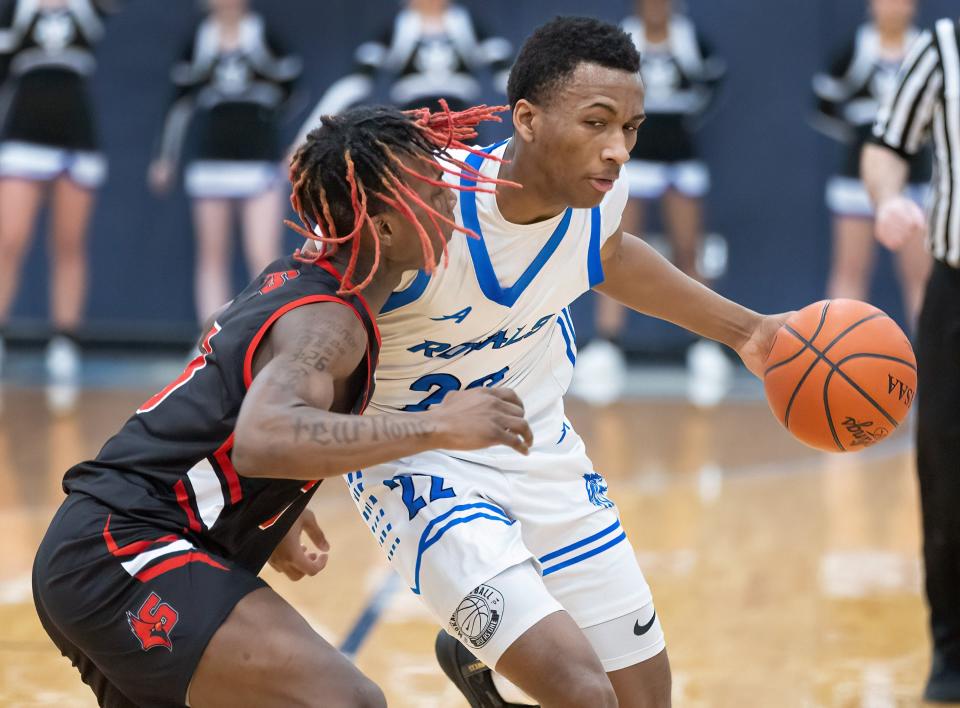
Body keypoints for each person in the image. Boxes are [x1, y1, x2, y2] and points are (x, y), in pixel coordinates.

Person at [339, 17, 787, 708]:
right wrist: (283, 494)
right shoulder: (424, 206)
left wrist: (747, 332)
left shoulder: (600, 204)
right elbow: (307, 335)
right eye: (597, 123)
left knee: (644, 700)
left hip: (540, 450)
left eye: (631, 129)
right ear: (526, 118)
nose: (618, 151)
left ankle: (481, 654)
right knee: (584, 694)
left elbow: (608, 257)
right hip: (421, 464)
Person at [32, 103, 532, 708]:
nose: (449, 198)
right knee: (348, 700)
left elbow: (217, 399)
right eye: (429, 188)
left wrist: (273, 504)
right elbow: (264, 434)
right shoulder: (331, 322)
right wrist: (438, 425)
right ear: (385, 228)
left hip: (119, 545)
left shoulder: (299, 280)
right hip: (124, 547)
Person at [863, 14, 960, 703]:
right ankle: (951, 651)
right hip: (956, 289)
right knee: (947, 473)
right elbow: (886, 145)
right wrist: (888, 196)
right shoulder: (943, 47)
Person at [570, 0, 727, 407]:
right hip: (633, 157)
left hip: (681, 156)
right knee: (616, 247)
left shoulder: (692, 41)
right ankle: (607, 344)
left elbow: (711, 85)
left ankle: (703, 343)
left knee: (689, 249)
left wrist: (678, 119)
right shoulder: (622, 41)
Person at [149, 0, 301, 325]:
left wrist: (288, 144)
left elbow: (293, 94)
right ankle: (211, 338)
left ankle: (270, 330)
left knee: (264, 254)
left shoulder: (264, 35)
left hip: (259, 160)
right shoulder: (199, 39)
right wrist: (165, 157)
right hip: (211, 161)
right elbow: (178, 105)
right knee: (212, 255)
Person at [0, 0, 120, 386]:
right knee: (9, 241)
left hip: (76, 138)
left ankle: (65, 342)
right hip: (24, 134)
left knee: (68, 244)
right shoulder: (15, 9)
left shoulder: (88, 7)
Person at [813, 0, 931, 329]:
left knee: (920, 276)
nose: (892, 6)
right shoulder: (855, 50)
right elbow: (824, 105)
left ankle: (929, 364)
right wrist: (864, 138)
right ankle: (836, 356)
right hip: (856, 180)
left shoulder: (926, 51)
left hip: (916, 180)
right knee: (850, 270)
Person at [294, 0, 511, 146]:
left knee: (466, 191)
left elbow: (507, 77)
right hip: (412, 128)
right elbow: (353, 85)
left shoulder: (467, 25)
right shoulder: (398, 28)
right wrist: (306, 137)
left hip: (462, 128)